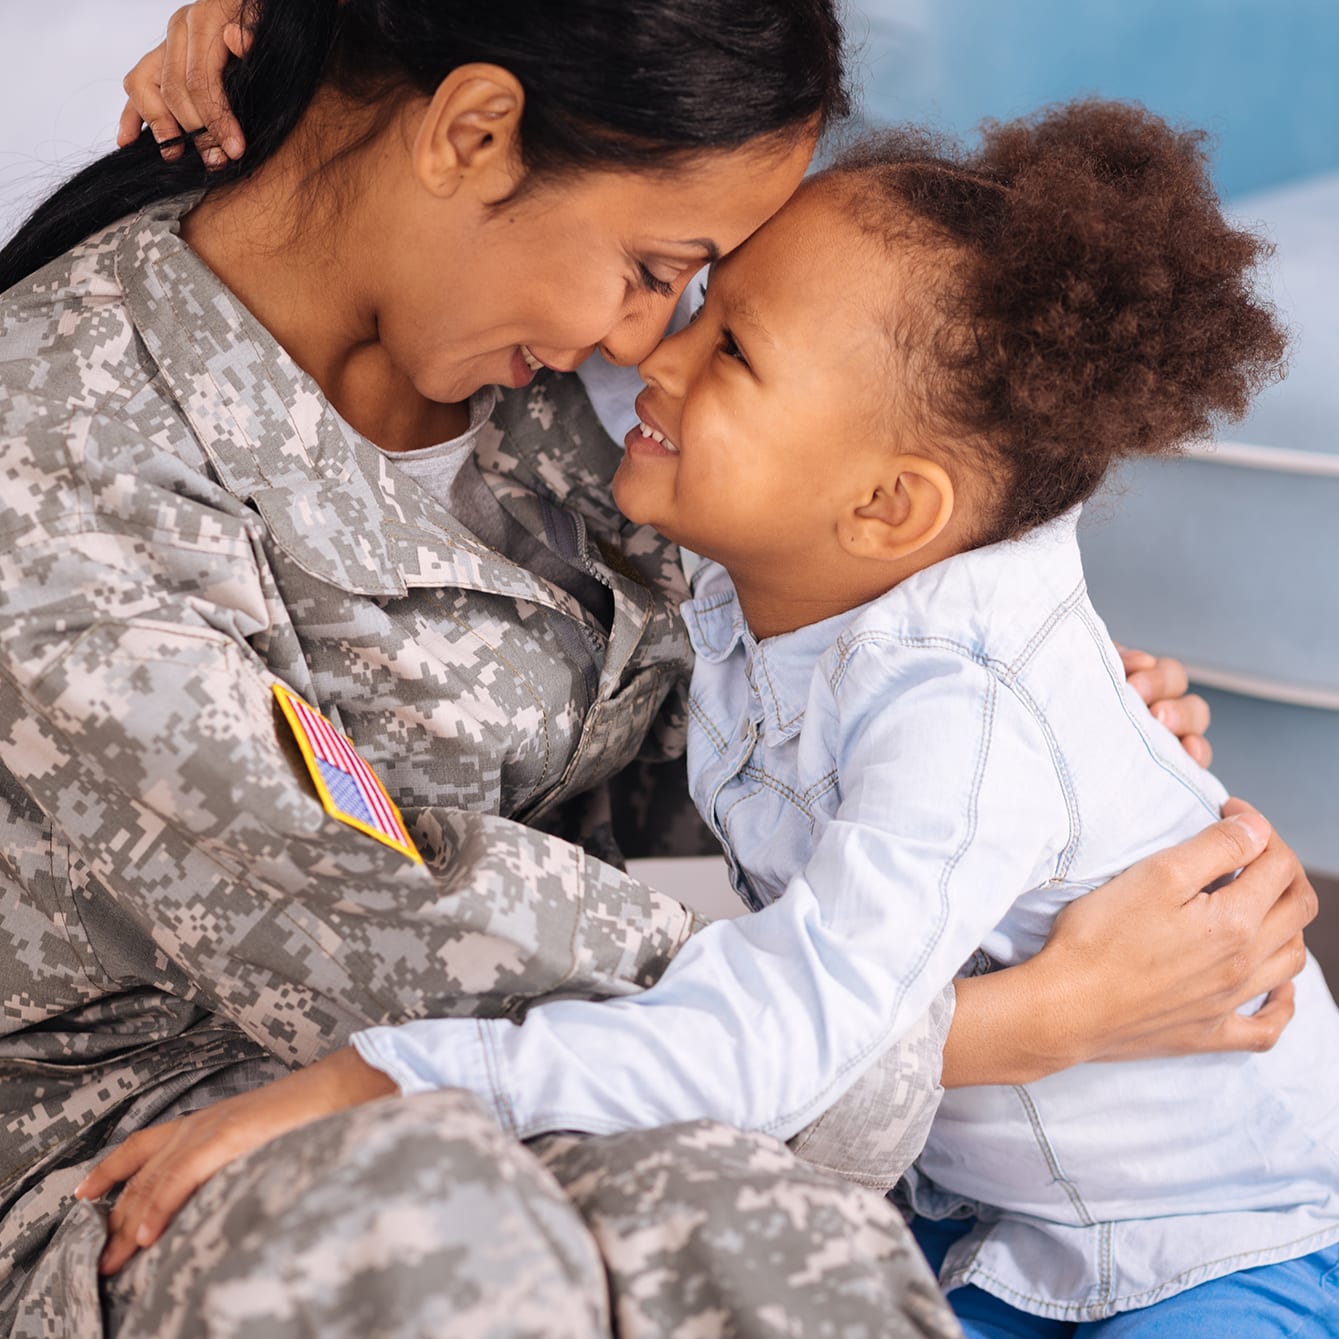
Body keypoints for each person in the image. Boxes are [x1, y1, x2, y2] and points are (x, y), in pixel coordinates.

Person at [0, 2, 1316, 1335]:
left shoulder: (527, 387)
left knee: (781, 1251)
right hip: (136, 1134)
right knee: (451, 1257)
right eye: (653, 267)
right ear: (474, 132)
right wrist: (1016, 1020)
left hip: (553, 1073)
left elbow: (656, 732)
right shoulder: (52, 451)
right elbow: (367, 904)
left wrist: (990, 774)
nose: (647, 344)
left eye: (700, 296)